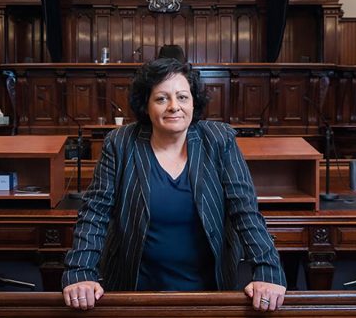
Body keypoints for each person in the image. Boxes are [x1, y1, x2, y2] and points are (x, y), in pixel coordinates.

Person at [62, 58, 287, 311]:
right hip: (133, 291)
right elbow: (95, 213)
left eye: (182, 97)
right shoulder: (120, 143)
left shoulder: (218, 140)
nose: (174, 107)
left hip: (210, 292)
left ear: (194, 102)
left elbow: (245, 211)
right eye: (161, 98)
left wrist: (268, 271)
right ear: (146, 105)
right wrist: (80, 272)